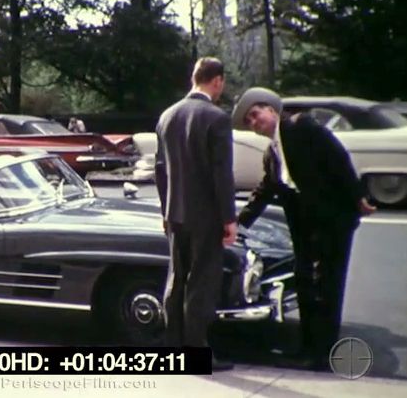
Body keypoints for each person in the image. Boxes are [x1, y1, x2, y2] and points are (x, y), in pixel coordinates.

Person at [232, 87, 376, 369]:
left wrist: (359, 196)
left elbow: (338, 158)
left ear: (271, 110)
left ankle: (322, 352)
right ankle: (308, 346)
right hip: (305, 225)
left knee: (327, 285)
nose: (254, 122)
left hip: (332, 220)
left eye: (255, 114)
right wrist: (239, 223)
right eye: (248, 121)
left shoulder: (301, 126)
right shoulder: (271, 154)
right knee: (304, 281)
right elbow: (265, 189)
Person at [155, 57, 237, 371]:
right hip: (206, 215)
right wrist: (228, 218)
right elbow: (222, 174)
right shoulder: (216, 118)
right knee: (202, 282)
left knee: (176, 277)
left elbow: (160, 171)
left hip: (175, 212)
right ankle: (196, 350)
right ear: (216, 80)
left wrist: (165, 211)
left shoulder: (167, 116)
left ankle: (171, 347)